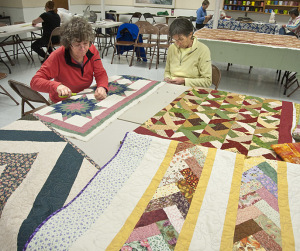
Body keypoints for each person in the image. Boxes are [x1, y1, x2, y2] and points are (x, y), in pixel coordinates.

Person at [31, 17, 108, 103]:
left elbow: (100, 73)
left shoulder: (91, 49)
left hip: (83, 96)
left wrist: (102, 86)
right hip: (62, 101)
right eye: (77, 44)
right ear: (68, 43)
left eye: (86, 43)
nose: (83, 48)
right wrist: (57, 86)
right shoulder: (57, 56)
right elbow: (35, 82)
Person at [164, 18, 212, 88]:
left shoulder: (203, 50)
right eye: (175, 40)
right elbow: (167, 71)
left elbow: (207, 81)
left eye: (181, 39)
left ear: (190, 34)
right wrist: (167, 78)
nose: (178, 43)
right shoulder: (172, 48)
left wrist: (184, 81)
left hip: (192, 89)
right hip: (172, 87)